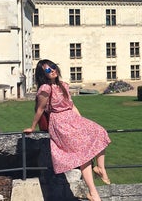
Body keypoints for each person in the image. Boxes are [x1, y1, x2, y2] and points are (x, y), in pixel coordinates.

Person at [24, 59, 111, 201]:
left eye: (53, 67)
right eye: (48, 70)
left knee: (99, 131)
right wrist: (32, 127)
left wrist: (82, 122)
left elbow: (72, 105)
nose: (52, 70)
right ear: (43, 74)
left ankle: (100, 168)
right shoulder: (45, 89)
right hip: (59, 123)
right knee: (82, 154)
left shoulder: (64, 85)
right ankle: (93, 193)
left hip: (72, 118)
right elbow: (40, 109)